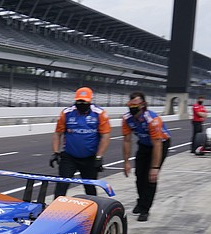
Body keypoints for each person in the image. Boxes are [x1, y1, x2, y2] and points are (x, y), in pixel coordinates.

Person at [50, 86, 111, 197]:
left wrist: (99, 157)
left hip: (90, 157)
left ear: (90, 101)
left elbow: (105, 136)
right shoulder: (66, 113)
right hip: (69, 156)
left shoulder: (100, 114)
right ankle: (55, 211)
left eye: (84, 102)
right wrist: (55, 152)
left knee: (90, 187)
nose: (81, 104)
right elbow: (57, 133)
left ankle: (93, 209)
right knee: (61, 185)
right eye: (79, 101)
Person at [122, 92, 171, 222]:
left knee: (150, 178)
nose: (132, 107)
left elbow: (157, 144)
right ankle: (141, 200)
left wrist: (155, 167)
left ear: (142, 105)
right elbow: (127, 140)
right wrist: (126, 162)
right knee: (139, 175)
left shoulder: (152, 120)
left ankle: (145, 209)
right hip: (144, 145)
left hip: (160, 144)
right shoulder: (127, 119)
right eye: (130, 105)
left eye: (135, 105)